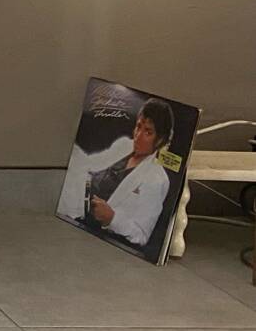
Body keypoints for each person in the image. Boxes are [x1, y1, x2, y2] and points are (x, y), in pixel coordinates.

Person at [58, 98, 176, 249]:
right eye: (138, 126)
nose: (138, 136)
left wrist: (112, 218)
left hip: (92, 232)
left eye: (148, 132)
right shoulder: (124, 145)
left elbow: (141, 235)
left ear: (160, 140)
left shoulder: (157, 179)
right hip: (72, 204)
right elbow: (90, 163)